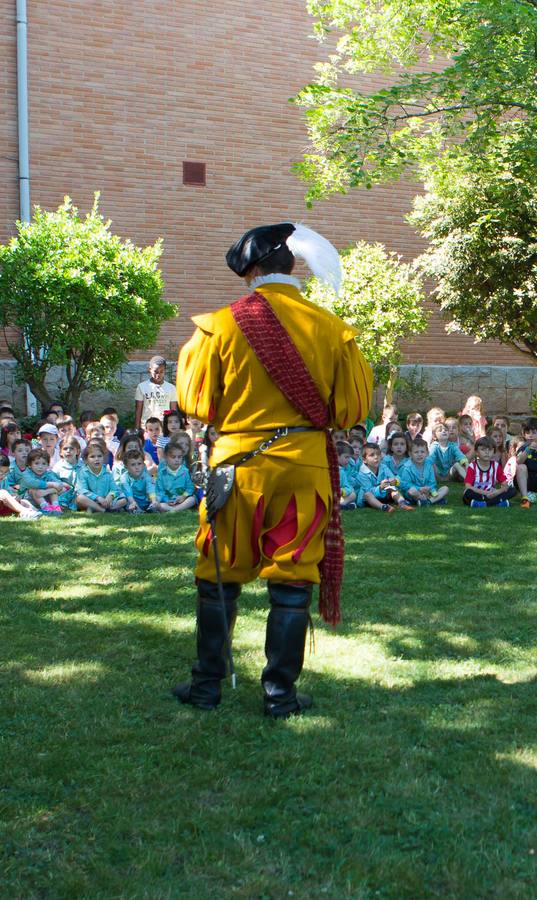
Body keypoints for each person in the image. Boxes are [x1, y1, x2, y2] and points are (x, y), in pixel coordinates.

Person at [170, 222, 373, 719]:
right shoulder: (333, 329)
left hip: (237, 468)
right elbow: (351, 408)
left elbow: (195, 402)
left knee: (218, 577)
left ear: (254, 272)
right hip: (304, 471)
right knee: (292, 580)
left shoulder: (218, 326)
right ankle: (279, 695)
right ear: (289, 270)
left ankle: (206, 687)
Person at [73, 443, 123, 512]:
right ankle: (102, 510)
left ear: (104, 458)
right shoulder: (83, 472)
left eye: (99, 456)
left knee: (123, 499)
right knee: (80, 498)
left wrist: (110, 496)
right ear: (86, 460)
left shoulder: (107, 472)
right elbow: (81, 490)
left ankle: (104, 507)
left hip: (105, 500)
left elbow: (114, 489)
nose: (96, 459)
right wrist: (97, 497)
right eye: (92, 457)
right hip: (91, 500)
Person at [155, 436, 199, 514]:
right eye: (173, 457)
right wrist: (166, 500)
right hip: (168, 501)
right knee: (159, 505)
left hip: (182, 500)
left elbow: (190, 487)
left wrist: (183, 496)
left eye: (179, 457)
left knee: (192, 499)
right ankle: (174, 509)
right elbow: (159, 490)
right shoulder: (162, 472)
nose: (177, 460)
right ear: (166, 457)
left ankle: (174, 510)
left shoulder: (185, 471)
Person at [462, 441, 513, 507]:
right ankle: (498, 502)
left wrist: (497, 492)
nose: (487, 452)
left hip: (492, 493)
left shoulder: (496, 466)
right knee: (467, 493)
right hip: (478, 493)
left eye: (490, 450)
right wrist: (485, 493)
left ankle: (483, 504)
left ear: (494, 452)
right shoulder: (472, 466)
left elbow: (505, 485)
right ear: (477, 452)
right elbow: (468, 486)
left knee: (512, 490)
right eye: (483, 449)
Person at [398, 439, 447, 506]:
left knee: (445, 488)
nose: (419, 454)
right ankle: (432, 500)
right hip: (414, 493)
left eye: (422, 452)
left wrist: (429, 489)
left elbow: (432, 482)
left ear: (427, 453)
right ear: (410, 454)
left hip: (428, 492)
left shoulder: (429, 465)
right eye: (416, 452)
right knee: (412, 491)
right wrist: (419, 489)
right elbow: (405, 484)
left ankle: (428, 502)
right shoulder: (407, 467)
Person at [135, 355, 176, 427]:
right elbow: (138, 410)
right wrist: (137, 428)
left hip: (164, 426)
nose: (158, 374)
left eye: (161, 372)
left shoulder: (171, 388)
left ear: (165, 370)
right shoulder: (142, 387)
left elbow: (173, 410)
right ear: (150, 369)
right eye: (155, 372)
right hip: (147, 426)